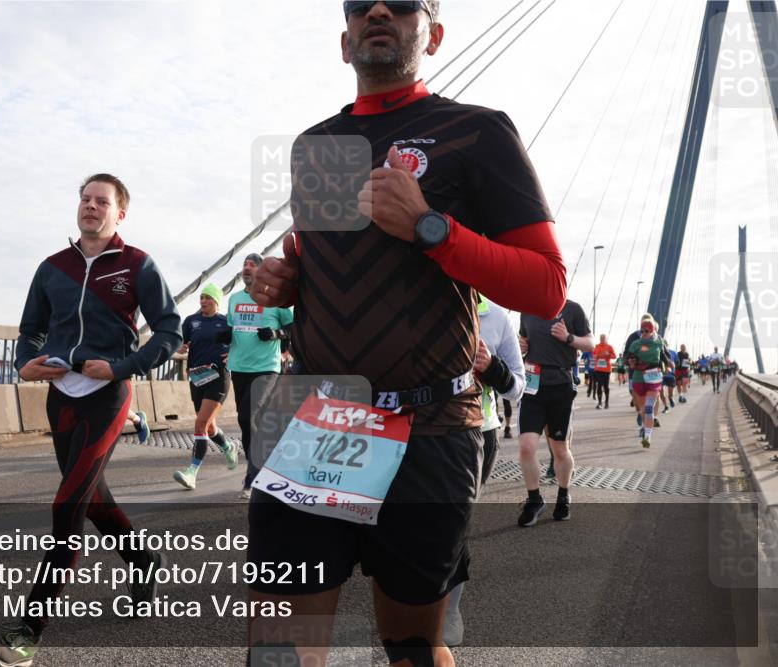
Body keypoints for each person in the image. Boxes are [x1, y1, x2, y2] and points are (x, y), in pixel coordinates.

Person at [246, 2, 566, 663]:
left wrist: (432, 227)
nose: (379, 9)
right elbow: (333, 269)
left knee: (412, 648)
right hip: (316, 417)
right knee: (275, 650)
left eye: (401, 0)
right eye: (361, 3)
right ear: (345, 41)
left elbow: (545, 286)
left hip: (428, 425)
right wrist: (285, 279)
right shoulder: (317, 146)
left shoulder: (477, 132)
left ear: (436, 33)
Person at [0, 173, 181, 667]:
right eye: (85, 200)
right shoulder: (52, 268)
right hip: (61, 396)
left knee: (67, 505)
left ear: (120, 213)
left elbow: (169, 331)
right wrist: (23, 363)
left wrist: (121, 366)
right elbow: (31, 330)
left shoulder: (138, 265)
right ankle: (142, 559)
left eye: (102, 201)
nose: (91, 207)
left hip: (108, 395)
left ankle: (28, 630)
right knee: (92, 500)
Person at [444, 295, 525, 647]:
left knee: (452, 523)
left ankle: (448, 611)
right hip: (413, 426)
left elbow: (517, 387)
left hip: (478, 430)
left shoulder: (495, 316)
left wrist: (491, 366)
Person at [517, 300, 593, 526]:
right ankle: (534, 500)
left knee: (559, 449)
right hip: (532, 386)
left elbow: (589, 344)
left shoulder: (573, 309)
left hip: (560, 385)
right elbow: (525, 340)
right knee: (526, 446)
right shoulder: (527, 309)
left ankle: (563, 495)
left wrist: (569, 338)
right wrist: (522, 346)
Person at [225, 253, 293, 499]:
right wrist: (224, 336)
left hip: (266, 369)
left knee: (247, 415)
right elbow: (232, 328)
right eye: (244, 264)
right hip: (239, 367)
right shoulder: (233, 300)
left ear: (263, 271)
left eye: (253, 264)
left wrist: (276, 334)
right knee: (248, 424)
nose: (247, 268)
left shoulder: (275, 300)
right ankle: (266, 465)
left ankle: (253, 477)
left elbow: (294, 327)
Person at [172, 283, 240, 489]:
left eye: (208, 298)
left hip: (219, 377)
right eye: (201, 297)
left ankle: (191, 472)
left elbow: (241, 343)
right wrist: (181, 346)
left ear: (217, 301)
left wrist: (234, 353)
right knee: (209, 427)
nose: (203, 301)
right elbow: (180, 343)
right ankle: (228, 448)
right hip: (197, 378)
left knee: (200, 424)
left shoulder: (226, 322)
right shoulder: (191, 322)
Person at [626, 319, 669, 448]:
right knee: (643, 409)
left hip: (654, 378)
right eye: (642, 330)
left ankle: (647, 436)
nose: (644, 333)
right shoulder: (635, 344)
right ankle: (645, 427)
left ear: (653, 331)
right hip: (639, 378)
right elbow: (626, 357)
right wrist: (630, 362)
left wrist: (669, 365)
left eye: (646, 331)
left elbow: (665, 357)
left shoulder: (659, 343)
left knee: (649, 407)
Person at [592, 334, 615, 409]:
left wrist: (608, 354)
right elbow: (594, 355)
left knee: (606, 386)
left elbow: (614, 356)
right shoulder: (597, 346)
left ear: (606, 339)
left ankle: (606, 402)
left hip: (606, 370)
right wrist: (597, 355)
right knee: (599, 386)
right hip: (598, 369)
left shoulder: (609, 347)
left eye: (603, 338)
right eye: (601, 338)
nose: (602, 339)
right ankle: (599, 403)